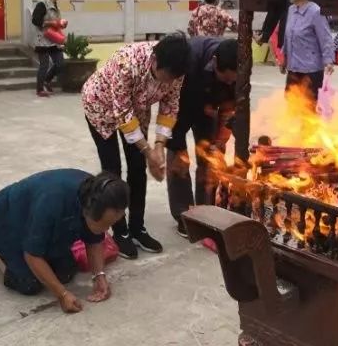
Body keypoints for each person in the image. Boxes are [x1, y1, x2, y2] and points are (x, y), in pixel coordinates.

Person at [82, 33, 190, 259]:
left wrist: (159, 146)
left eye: (174, 78)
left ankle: (137, 227)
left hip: (136, 110)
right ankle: (119, 231)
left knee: (138, 169)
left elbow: (170, 106)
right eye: (167, 76)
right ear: (155, 61)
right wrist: (148, 150)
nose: (169, 82)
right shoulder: (127, 62)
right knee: (113, 171)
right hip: (100, 107)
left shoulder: (176, 72)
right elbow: (121, 112)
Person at [0, 170, 128, 309]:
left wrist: (99, 276)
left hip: (39, 219)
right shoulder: (51, 203)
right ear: (87, 212)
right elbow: (32, 255)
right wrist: (62, 295)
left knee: (65, 273)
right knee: (29, 284)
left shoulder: (98, 196)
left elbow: (94, 239)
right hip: (4, 223)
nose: (107, 230)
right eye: (105, 225)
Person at [167, 38, 237, 236]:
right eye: (226, 79)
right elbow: (173, 113)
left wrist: (220, 140)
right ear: (214, 63)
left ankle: (207, 211)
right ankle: (184, 215)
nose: (230, 83)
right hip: (182, 106)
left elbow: (230, 110)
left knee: (211, 159)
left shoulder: (239, 69)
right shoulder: (188, 62)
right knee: (179, 161)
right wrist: (178, 145)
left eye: (233, 80)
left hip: (211, 110)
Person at [280, 0, 334, 105]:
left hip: (311, 70)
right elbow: (287, 35)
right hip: (293, 67)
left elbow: (325, 38)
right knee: (291, 104)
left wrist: (328, 61)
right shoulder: (291, 10)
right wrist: (284, 58)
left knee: (309, 107)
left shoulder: (315, 11)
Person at [32, 0, 65, 97]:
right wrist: (51, 23)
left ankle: (47, 80)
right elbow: (35, 20)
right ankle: (40, 89)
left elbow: (56, 22)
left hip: (54, 40)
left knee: (60, 63)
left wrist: (60, 24)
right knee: (44, 65)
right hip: (43, 40)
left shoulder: (55, 5)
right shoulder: (42, 5)